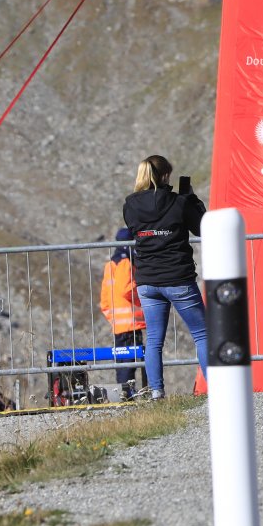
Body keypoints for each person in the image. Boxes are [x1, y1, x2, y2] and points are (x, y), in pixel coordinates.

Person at [123, 155, 208, 399]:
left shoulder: (130, 204)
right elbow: (201, 227)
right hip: (178, 278)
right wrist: (191, 199)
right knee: (202, 334)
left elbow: (134, 229)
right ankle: (217, 387)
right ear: (165, 176)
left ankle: (156, 392)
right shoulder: (179, 203)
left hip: (147, 281)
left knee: (154, 340)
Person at [100, 227, 147, 401]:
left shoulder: (109, 265)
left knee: (122, 362)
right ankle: (126, 396)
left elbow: (104, 301)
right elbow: (126, 289)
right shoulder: (126, 262)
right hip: (131, 323)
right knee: (130, 361)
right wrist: (144, 295)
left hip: (119, 324)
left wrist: (114, 318)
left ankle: (123, 395)